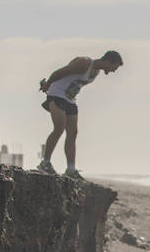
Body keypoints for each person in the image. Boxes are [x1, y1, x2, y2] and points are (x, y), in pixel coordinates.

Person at [37, 50, 124, 179]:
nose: (113, 71)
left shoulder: (96, 72)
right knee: (59, 129)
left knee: (73, 133)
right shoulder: (84, 63)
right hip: (56, 94)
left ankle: (71, 169)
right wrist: (47, 84)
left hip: (70, 100)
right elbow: (59, 73)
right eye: (114, 67)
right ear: (109, 61)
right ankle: (45, 163)